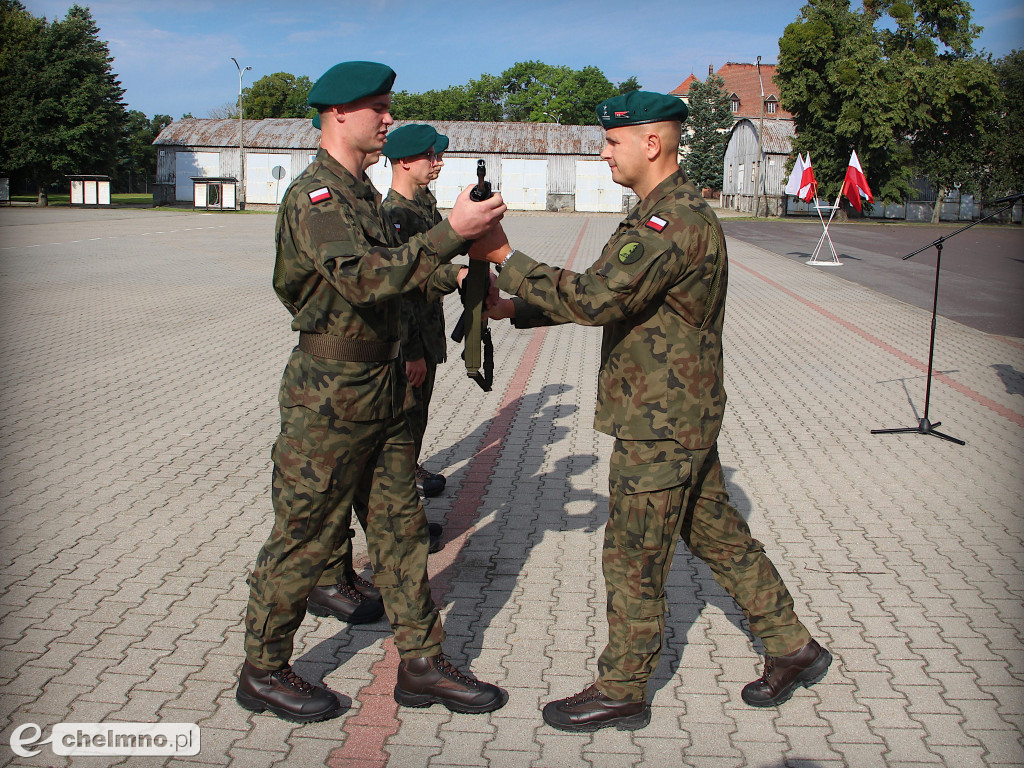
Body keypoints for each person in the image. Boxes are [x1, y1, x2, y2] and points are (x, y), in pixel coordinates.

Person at [472, 90, 831, 732]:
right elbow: (621, 296)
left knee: (633, 555)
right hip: (675, 413)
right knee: (719, 536)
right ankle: (793, 646)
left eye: (613, 141)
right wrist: (518, 307)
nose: (604, 151)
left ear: (651, 143)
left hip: (662, 423)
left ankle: (623, 688)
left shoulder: (674, 221)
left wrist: (506, 256)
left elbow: (601, 297)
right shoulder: (659, 214)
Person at [237, 60, 508, 724]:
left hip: (383, 387)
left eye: (388, 108)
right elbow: (362, 279)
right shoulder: (316, 197)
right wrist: (453, 236)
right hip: (330, 396)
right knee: (304, 536)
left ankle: (421, 660)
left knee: (400, 529)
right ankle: (264, 668)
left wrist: (475, 284)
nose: (388, 119)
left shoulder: (360, 195)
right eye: (378, 109)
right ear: (337, 115)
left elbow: (404, 275)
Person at [383, 124, 454, 503]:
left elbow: (445, 247)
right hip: (410, 336)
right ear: (405, 161)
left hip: (428, 329)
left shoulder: (423, 203)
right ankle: (401, 494)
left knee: (419, 412)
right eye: (431, 155)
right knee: (406, 415)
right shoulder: (394, 214)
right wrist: (410, 351)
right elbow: (402, 289)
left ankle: (409, 471)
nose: (438, 162)